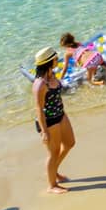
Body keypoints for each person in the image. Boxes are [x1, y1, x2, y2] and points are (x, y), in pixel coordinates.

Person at [32, 47, 75, 193]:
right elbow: (38, 109)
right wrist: (44, 131)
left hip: (60, 114)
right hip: (48, 121)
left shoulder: (53, 74)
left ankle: (53, 170)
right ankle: (52, 185)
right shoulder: (39, 84)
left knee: (70, 143)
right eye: (56, 58)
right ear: (49, 62)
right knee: (54, 152)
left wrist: (68, 62)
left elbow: (60, 83)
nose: (58, 60)